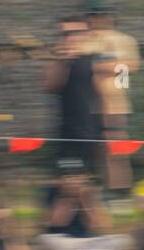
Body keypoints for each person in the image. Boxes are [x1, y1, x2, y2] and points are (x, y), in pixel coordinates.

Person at [82, 0, 141, 196]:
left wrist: (100, 67)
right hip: (86, 101)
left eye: (103, 15)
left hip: (115, 101)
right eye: (94, 15)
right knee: (91, 149)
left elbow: (127, 70)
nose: (99, 19)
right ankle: (95, 191)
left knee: (117, 147)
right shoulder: (83, 39)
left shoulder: (123, 40)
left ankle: (120, 190)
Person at [37, 157, 130, 250]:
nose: (74, 180)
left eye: (78, 176)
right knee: (44, 240)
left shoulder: (90, 192)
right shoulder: (52, 192)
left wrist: (86, 200)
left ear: (84, 177)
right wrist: (69, 197)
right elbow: (54, 222)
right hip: (62, 242)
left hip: (87, 242)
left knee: (122, 240)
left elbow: (101, 226)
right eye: (68, 177)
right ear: (59, 179)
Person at [44, 17, 102, 173]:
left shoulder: (98, 58)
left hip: (99, 128)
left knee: (94, 178)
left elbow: (121, 86)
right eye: (65, 34)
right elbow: (49, 86)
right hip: (68, 129)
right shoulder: (60, 59)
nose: (70, 38)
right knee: (67, 177)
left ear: (88, 34)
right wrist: (62, 62)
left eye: (75, 32)